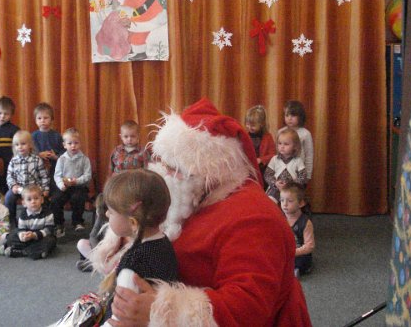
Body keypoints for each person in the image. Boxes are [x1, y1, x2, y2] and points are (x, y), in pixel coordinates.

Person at [89, 98, 311, 326]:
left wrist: (160, 311)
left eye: (172, 167)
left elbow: (248, 309)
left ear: (204, 171)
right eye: (163, 163)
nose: (163, 173)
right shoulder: (192, 195)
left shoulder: (253, 218)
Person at [98, 169, 178, 325]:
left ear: (133, 223)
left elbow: (120, 316)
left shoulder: (133, 264)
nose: (106, 214)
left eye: (111, 212)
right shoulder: (163, 242)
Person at [51, 128, 91, 236]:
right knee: (55, 199)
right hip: (64, 186)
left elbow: (87, 175)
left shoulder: (84, 159)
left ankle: (77, 221)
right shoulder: (61, 159)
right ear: (64, 145)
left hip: (79, 186)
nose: (73, 146)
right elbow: (57, 175)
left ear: (80, 144)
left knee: (78, 198)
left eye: (76, 143)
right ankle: (59, 223)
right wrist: (61, 185)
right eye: (70, 143)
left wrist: (77, 181)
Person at [5, 130, 50, 223]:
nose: (20, 147)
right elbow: (9, 176)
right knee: (9, 197)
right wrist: (13, 185)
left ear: (30, 145)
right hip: (19, 189)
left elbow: (43, 176)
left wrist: (45, 189)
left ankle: (43, 218)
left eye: (23, 144)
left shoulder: (36, 159)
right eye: (17, 145)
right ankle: (11, 220)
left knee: (44, 199)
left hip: (34, 189)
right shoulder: (13, 161)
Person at [4, 184, 56, 260]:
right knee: (11, 236)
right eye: (29, 199)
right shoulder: (23, 214)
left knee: (51, 240)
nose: (33, 202)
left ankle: (22, 252)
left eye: (36, 198)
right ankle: (33, 251)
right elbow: (21, 229)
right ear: (24, 203)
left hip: (40, 237)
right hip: (28, 237)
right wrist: (22, 235)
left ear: (42, 200)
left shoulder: (48, 213)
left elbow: (49, 230)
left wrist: (34, 235)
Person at [264, 128, 307, 203]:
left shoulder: (298, 161)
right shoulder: (274, 159)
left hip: (291, 190)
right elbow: (267, 174)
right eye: (280, 143)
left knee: (290, 203)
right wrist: (275, 183)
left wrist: (291, 185)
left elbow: (303, 177)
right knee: (270, 202)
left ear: (295, 146)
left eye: (286, 144)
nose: (282, 146)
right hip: (276, 188)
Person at [0, 96, 20, 195]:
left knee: (7, 188)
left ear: (11, 115)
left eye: (6, 114)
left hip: (9, 165)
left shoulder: (15, 130)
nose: (2, 116)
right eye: (0, 113)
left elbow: (18, 148)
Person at [280, 185, 314, 276]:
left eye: (290, 201)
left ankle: (295, 270)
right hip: (284, 251)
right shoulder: (279, 218)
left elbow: (309, 246)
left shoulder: (305, 222)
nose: (285, 204)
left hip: (298, 253)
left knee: (302, 260)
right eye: (282, 200)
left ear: (301, 203)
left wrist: (293, 252)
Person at [280, 100, 314, 181]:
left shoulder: (305, 134)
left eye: (293, 115)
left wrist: (308, 175)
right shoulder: (281, 132)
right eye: (287, 115)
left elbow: (309, 155)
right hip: (282, 173)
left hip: (299, 173)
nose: (289, 118)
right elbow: (277, 153)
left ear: (300, 116)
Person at [76, 193, 107, 272]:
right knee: (81, 243)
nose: (97, 211)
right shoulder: (100, 217)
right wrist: (96, 249)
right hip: (100, 248)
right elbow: (93, 236)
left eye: (99, 209)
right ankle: (98, 264)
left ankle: (96, 266)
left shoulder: (116, 220)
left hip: (111, 250)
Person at [32, 102, 64, 177]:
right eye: (39, 118)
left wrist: (55, 157)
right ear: (35, 120)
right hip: (37, 169)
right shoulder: (32, 136)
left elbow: (63, 152)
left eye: (46, 118)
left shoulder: (57, 136)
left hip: (55, 168)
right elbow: (29, 153)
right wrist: (39, 155)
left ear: (52, 119)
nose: (42, 120)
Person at [245, 105, 276, 178]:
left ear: (261, 124)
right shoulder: (245, 135)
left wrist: (261, 159)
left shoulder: (268, 137)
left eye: (253, 125)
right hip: (248, 168)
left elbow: (273, 155)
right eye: (247, 124)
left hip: (263, 169)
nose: (249, 127)